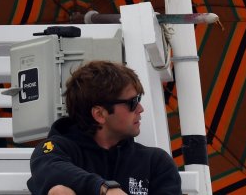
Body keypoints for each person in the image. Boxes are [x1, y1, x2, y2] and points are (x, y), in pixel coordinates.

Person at [27, 60, 181, 195]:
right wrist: (104, 188)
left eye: (138, 99)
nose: (140, 109)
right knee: (60, 192)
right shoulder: (57, 150)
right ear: (100, 114)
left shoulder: (155, 162)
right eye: (132, 102)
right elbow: (48, 169)